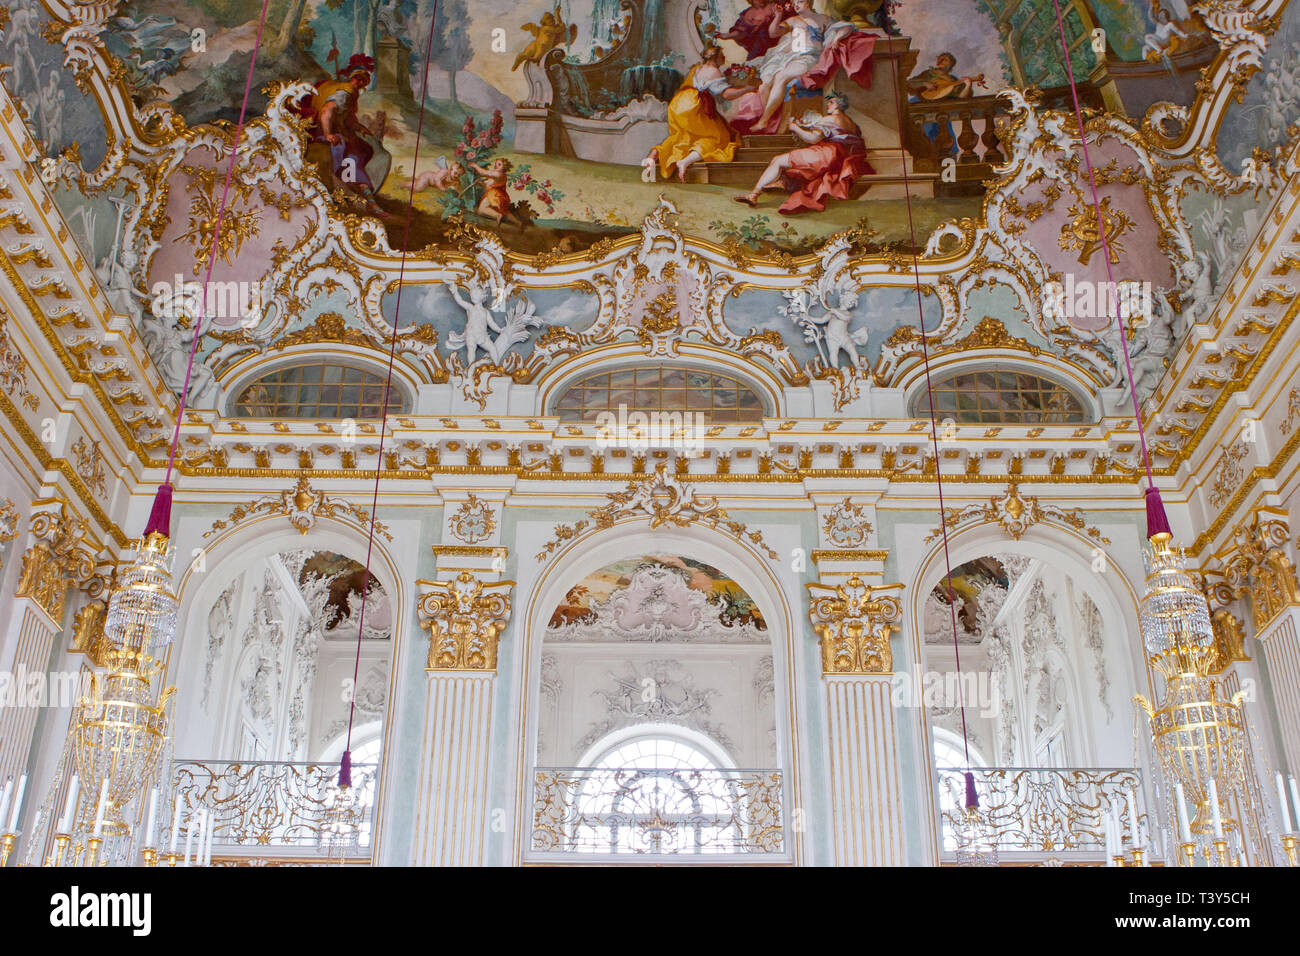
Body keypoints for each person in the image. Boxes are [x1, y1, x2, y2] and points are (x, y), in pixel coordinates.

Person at [734, 92, 871, 213]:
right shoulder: (851, 122)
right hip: (837, 156)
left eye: (831, 102)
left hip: (825, 154)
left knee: (778, 160)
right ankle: (779, 183)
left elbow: (812, 139)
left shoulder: (830, 119)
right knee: (787, 162)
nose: (828, 104)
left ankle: (754, 195)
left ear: (837, 105)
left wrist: (795, 128)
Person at [644, 44, 748, 182]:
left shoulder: (697, 68)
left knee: (684, 136)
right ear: (715, 57)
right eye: (722, 55)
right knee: (718, 138)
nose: (724, 57)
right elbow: (727, 94)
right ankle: (685, 162)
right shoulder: (713, 70)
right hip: (694, 106)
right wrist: (747, 89)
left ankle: (656, 153)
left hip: (679, 104)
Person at [715, 0, 792, 61]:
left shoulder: (777, 2)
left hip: (783, 37)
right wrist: (728, 35)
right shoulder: (748, 14)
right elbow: (742, 32)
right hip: (762, 46)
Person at [467, 157, 524, 226]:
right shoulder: (496, 175)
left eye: (499, 164)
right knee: (504, 211)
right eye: (496, 164)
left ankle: (497, 215)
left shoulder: (499, 174)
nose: (496, 166)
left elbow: (483, 173)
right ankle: (518, 223)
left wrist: (475, 166)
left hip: (494, 195)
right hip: (499, 196)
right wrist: (480, 183)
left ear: (504, 167)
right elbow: (488, 185)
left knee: (481, 210)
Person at [906, 53, 984, 100]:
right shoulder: (929, 73)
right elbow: (909, 83)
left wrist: (968, 86)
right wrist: (925, 83)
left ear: (951, 64)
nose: (940, 61)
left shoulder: (953, 80)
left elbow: (961, 97)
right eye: (939, 59)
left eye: (944, 60)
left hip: (944, 108)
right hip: (925, 103)